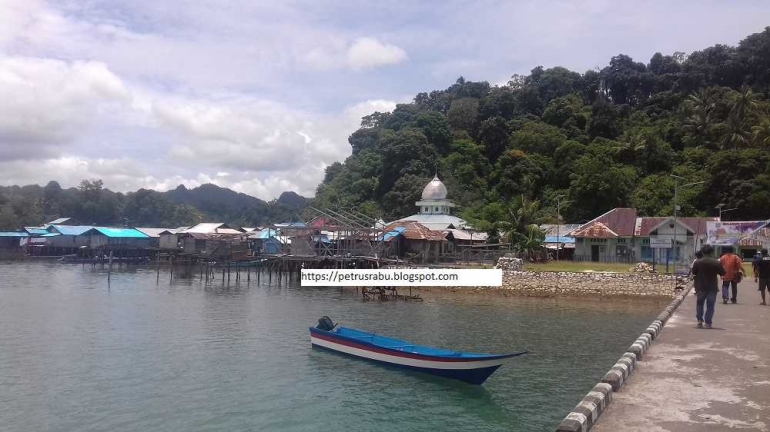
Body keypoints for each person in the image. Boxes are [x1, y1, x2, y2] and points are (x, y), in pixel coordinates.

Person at [692, 245, 726, 329]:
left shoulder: (697, 262)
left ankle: (699, 321)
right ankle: (708, 322)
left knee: (699, 304)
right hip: (712, 287)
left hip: (701, 286)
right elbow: (723, 273)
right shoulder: (716, 262)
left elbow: (694, 272)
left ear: (703, 252)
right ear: (711, 252)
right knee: (710, 305)